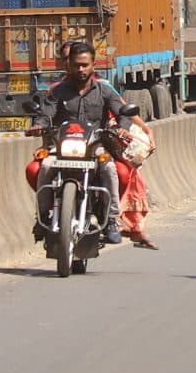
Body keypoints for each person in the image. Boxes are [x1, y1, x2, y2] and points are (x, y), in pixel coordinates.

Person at [30, 40, 143, 246]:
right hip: (63, 146)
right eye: (76, 65)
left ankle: (111, 219)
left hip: (94, 146)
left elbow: (121, 112)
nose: (80, 69)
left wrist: (122, 126)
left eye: (85, 65)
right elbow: (45, 114)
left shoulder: (105, 91)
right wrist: (39, 124)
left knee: (110, 169)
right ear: (69, 65)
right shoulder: (57, 92)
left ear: (93, 66)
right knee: (45, 165)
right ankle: (42, 216)